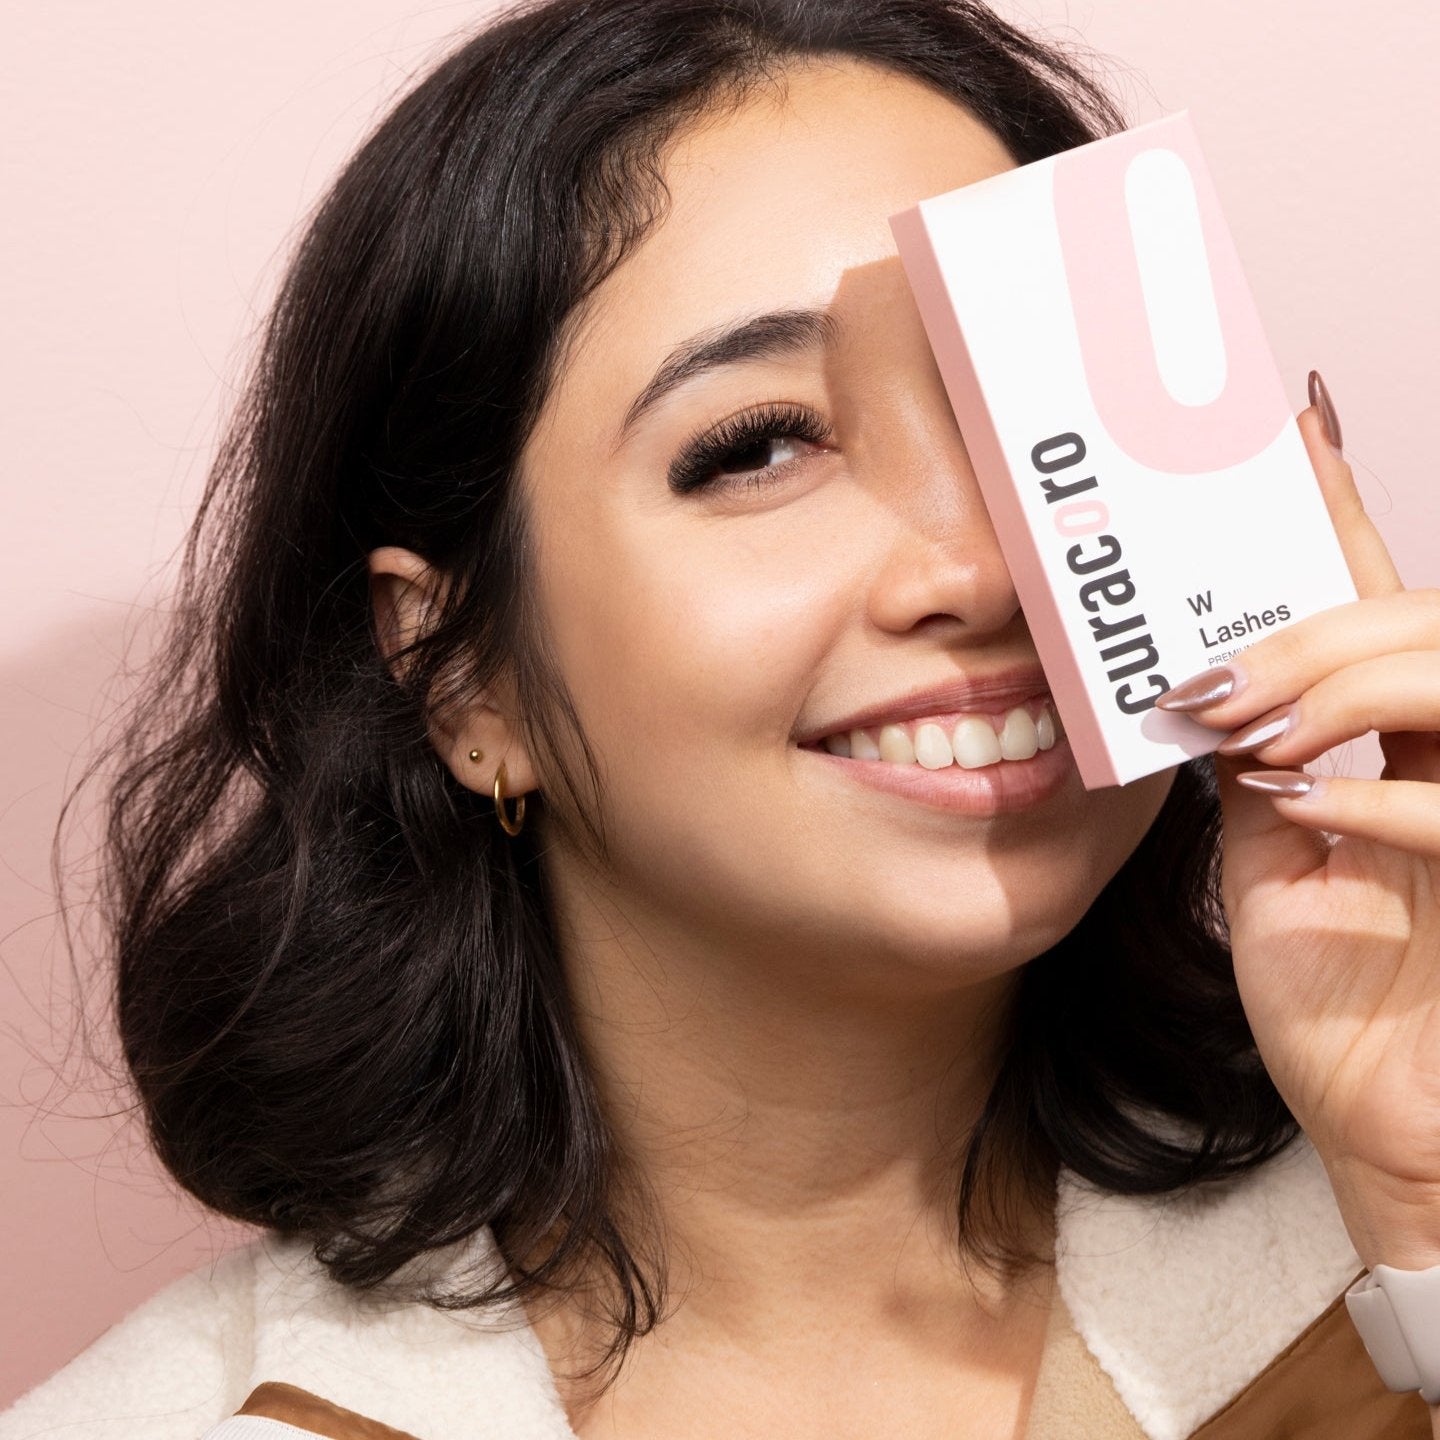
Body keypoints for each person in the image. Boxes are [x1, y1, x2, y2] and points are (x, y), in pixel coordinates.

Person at [4, 1, 1438, 1436]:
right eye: (759, 446)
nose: (983, 566)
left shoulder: (1393, 1240)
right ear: (456, 672)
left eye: (1026, 420)